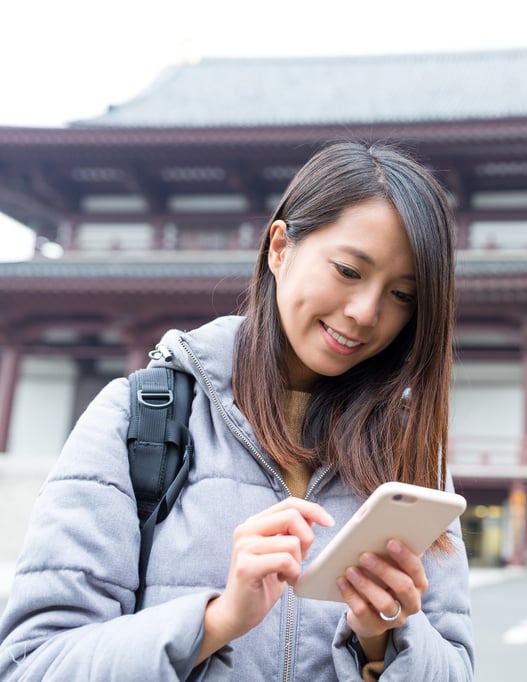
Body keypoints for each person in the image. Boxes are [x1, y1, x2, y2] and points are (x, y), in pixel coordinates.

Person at [0, 140, 473, 680]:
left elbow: (455, 667)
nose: (367, 313)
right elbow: (32, 664)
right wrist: (217, 620)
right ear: (280, 248)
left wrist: (383, 640)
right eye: (347, 270)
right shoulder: (138, 417)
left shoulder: (408, 450)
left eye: (403, 296)